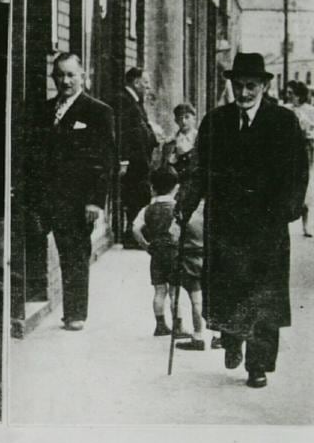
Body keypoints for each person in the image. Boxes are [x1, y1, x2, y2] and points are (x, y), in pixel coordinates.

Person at [177, 53, 309, 388]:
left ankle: (259, 364)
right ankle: (233, 339)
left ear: (265, 85)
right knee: (230, 287)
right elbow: (199, 169)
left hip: (267, 223)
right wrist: (186, 203)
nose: (244, 92)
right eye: (239, 86)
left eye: (251, 86)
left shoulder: (283, 122)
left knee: (264, 293)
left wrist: (290, 208)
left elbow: (298, 171)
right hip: (226, 222)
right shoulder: (215, 121)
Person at [26, 53, 115, 331]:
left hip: (77, 199)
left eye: (70, 75)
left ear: (82, 76)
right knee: (34, 244)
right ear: (53, 77)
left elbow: (105, 160)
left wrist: (95, 201)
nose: (65, 81)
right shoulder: (44, 110)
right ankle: (33, 293)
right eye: (60, 75)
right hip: (44, 196)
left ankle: (75, 314)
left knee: (75, 253)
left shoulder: (98, 111)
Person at [132, 167, 206, 348]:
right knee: (174, 291)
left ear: (152, 188)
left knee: (159, 291)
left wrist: (145, 245)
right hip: (175, 254)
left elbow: (135, 228)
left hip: (156, 254)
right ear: (176, 187)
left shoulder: (147, 209)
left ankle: (160, 324)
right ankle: (178, 326)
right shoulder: (177, 209)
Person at [114, 67, 158, 248]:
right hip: (133, 162)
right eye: (145, 83)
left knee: (139, 197)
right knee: (135, 198)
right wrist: (123, 159)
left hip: (139, 161)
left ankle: (134, 235)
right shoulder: (123, 101)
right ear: (136, 82)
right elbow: (122, 132)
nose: (148, 87)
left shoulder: (134, 101)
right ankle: (131, 237)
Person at [282, 80, 314, 236]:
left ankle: (305, 226)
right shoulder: (285, 110)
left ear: (299, 95)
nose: (288, 96)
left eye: (291, 93)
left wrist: (309, 134)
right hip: (287, 153)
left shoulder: (309, 111)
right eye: (287, 93)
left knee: (304, 187)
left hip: (305, 151)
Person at [157, 103, 198, 179]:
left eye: (187, 117)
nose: (183, 121)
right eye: (180, 118)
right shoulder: (171, 141)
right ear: (176, 120)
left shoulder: (199, 139)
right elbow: (164, 165)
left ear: (194, 119)